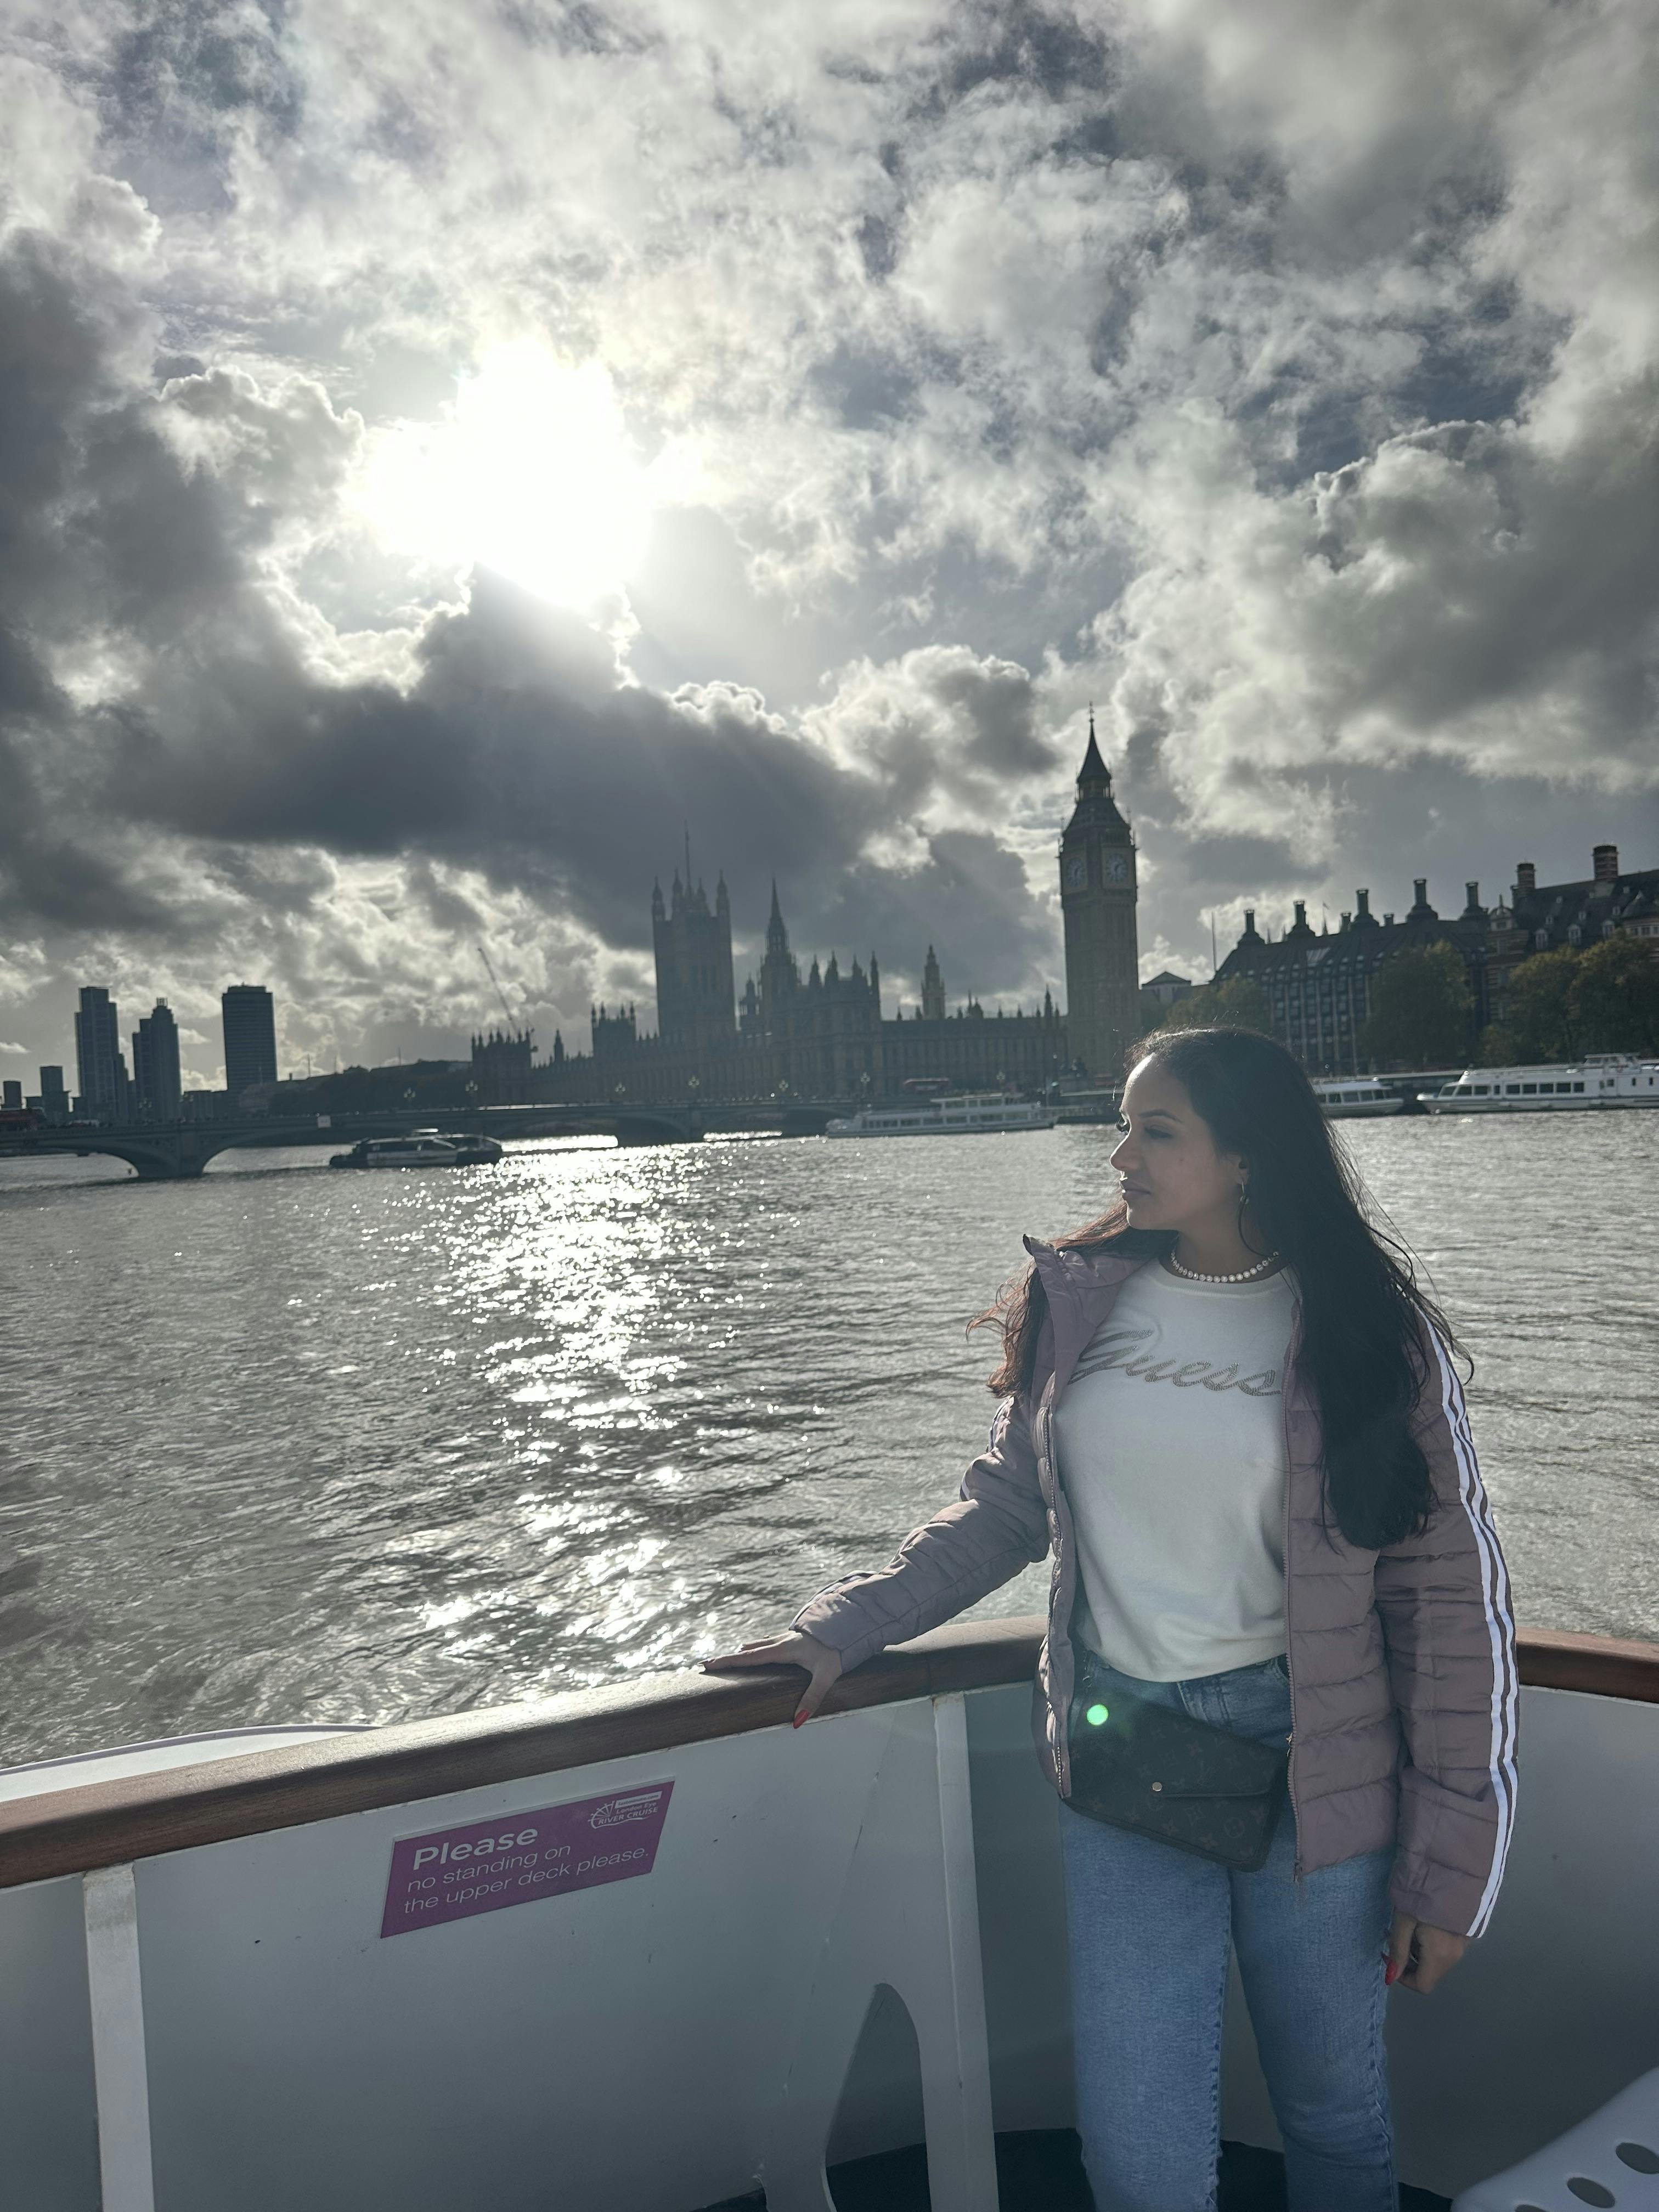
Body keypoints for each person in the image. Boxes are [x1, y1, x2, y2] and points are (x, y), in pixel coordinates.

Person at [706, 1026, 1517, 2212]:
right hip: (1125, 1749)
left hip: (1319, 1765)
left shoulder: (1369, 1335)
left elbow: (1449, 1608)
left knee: (1334, 2118)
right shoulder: (1080, 1303)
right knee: (1140, 2157)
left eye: (1156, 1131)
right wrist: (841, 1628)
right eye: (1123, 1126)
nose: (1120, 1154)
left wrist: (1448, 1875)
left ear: (1246, 1155)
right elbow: (1006, 1507)